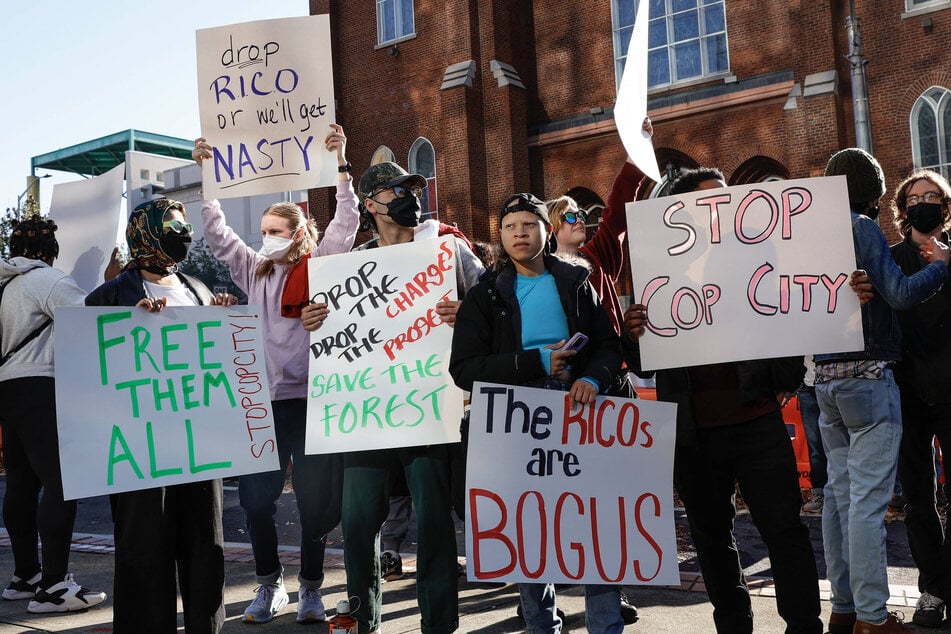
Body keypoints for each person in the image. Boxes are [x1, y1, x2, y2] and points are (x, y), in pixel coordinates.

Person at [622, 167, 822, 634]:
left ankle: (804, 625)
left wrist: (784, 380)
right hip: (693, 432)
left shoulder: (758, 255)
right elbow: (644, 364)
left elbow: (789, 321)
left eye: (726, 198)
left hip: (756, 420)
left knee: (784, 530)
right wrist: (634, 337)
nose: (722, 207)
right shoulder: (661, 267)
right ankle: (733, 625)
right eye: (709, 200)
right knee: (712, 538)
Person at [306, 160, 483, 634]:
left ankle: (440, 624)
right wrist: (314, 321)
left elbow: (493, 308)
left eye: (413, 188)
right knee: (358, 521)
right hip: (366, 415)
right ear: (371, 205)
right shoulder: (347, 270)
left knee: (434, 523)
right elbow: (332, 337)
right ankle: (364, 621)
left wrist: (467, 312)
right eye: (397, 190)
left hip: (429, 411)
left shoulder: (450, 254)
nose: (411, 196)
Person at [192, 124, 358, 624]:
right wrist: (208, 176)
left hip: (309, 401)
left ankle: (310, 588)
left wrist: (342, 164)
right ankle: (269, 585)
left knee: (314, 503)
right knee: (257, 502)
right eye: (263, 230)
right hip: (261, 404)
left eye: (276, 231)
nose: (266, 238)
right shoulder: (251, 270)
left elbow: (346, 222)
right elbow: (217, 233)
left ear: (298, 234)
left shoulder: (322, 264)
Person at [450, 192, 624, 634]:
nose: (519, 233)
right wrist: (536, 363)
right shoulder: (484, 295)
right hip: (515, 420)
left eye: (529, 224)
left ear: (546, 232)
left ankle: (606, 625)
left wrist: (594, 379)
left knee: (591, 523)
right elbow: (464, 369)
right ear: (501, 237)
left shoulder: (576, 282)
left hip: (579, 409)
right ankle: (541, 625)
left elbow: (608, 345)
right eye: (510, 227)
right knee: (531, 530)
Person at [86, 198, 237, 633]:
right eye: (172, 224)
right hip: (140, 451)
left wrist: (224, 321)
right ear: (145, 230)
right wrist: (126, 327)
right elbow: (88, 368)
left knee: (205, 547)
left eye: (185, 224)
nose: (183, 232)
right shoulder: (110, 296)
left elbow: (223, 363)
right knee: (143, 548)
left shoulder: (200, 289)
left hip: (200, 445)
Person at [817, 148, 950, 634]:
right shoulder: (862, 227)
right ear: (876, 193)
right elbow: (898, 293)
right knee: (868, 505)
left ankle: (844, 609)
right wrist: (942, 268)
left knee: (840, 499)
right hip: (870, 379)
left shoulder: (812, 229)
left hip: (827, 381)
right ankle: (873, 619)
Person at [0, 216, 108, 615]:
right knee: (63, 483)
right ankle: (54, 587)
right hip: (41, 386)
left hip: (8, 390)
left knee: (21, 484)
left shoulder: (6, 283)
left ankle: (25, 576)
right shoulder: (47, 280)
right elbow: (91, 321)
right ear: (49, 250)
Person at [888, 169, 951, 628]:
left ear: (946, 207)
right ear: (903, 207)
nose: (925, 202)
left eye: (934, 196)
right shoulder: (890, 260)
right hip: (906, 393)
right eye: (917, 196)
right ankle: (932, 588)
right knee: (917, 499)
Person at [799, 355, 828, 514]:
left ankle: (842, 495)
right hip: (808, 386)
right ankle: (819, 493)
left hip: (832, 382)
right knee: (815, 446)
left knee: (840, 445)